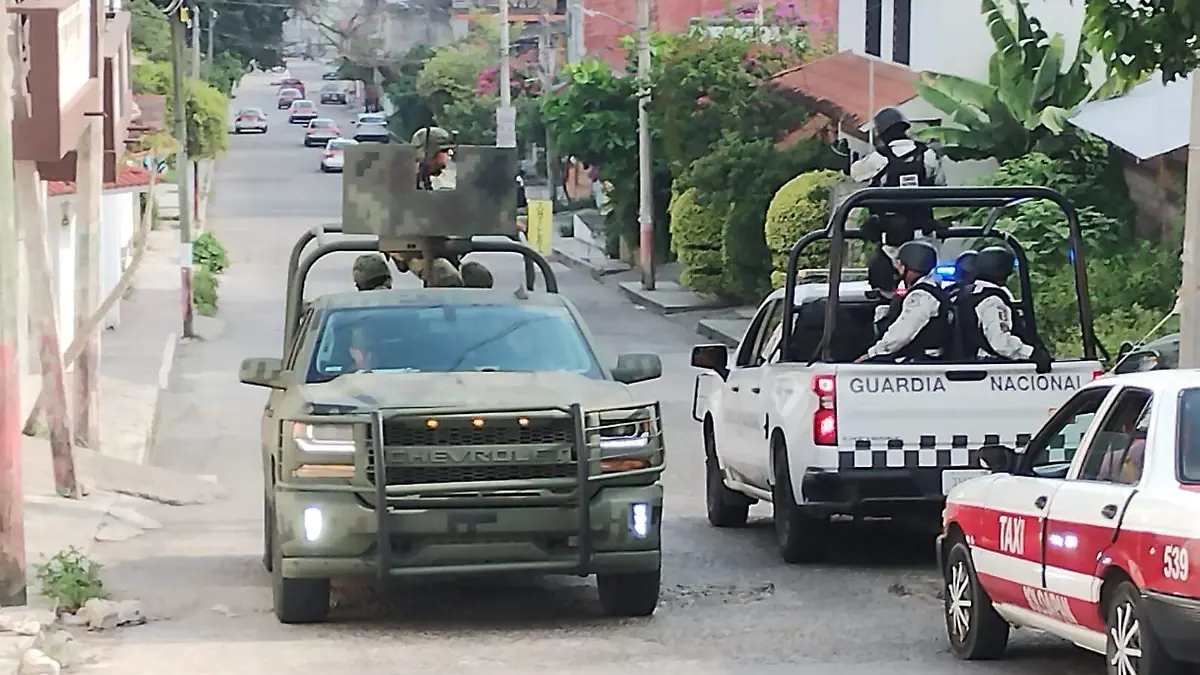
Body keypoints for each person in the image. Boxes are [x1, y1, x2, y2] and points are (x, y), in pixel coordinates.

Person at [852, 107, 948, 297]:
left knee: (884, 292)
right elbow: (941, 186)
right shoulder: (927, 155)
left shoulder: (878, 158)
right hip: (924, 237)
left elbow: (855, 173)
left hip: (892, 241)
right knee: (929, 289)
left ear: (881, 132)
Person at [856, 240, 950, 362]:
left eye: (901, 265)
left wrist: (870, 354)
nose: (898, 269)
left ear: (910, 267)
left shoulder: (921, 296)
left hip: (919, 361)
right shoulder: (925, 289)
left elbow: (900, 336)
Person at [962, 246, 1051, 372]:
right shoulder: (993, 300)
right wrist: (1031, 353)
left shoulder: (969, 293)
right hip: (996, 369)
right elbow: (1000, 342)